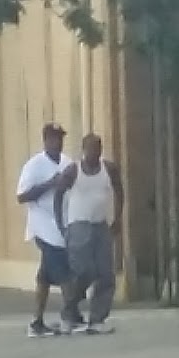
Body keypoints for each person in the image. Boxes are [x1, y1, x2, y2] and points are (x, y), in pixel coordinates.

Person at [54, 132, 124, 335]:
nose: (95, 152)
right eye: (91, 148)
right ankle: (69, 314)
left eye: (98, 148)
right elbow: (58, 194)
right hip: (78, 225)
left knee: (105, 273)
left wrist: (117, 217)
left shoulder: (108, 168)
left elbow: (119, 191)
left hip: (100, 225)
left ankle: (97, 319)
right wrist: (61, 224)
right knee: (83, 271)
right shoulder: (73, 171)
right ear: (84, 150)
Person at [16, 122, 74, 337]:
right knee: (63, 268)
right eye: (53, 138)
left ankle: (36, 322)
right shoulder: (35, 165)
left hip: (62, 223)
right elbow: (22, 196)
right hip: (42, 224)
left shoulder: (67, 163)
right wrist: (50, 183)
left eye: (60, 138)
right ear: (45, 140)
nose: (57, 142)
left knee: (45, 276)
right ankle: (71, 315)